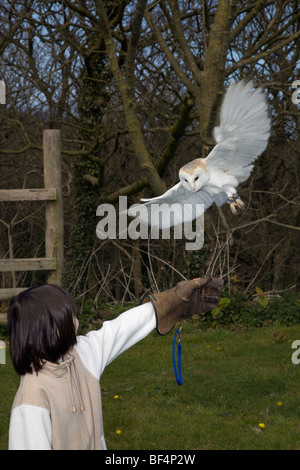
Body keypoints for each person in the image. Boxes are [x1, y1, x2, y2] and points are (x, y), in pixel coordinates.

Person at [7, 278, 222, 450]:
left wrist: (172, 303)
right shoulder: (31, 398)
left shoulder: (81, 354)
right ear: (48, 330)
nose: (76, 320)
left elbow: (120, 328)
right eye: (69, 316)